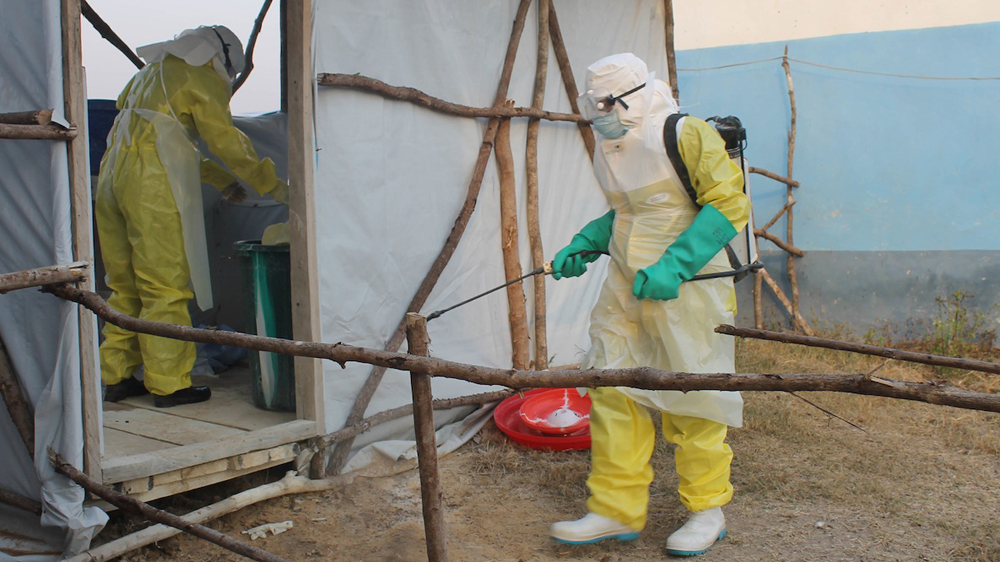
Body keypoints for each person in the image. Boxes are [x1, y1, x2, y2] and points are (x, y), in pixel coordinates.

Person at [548, 53, 750, 556]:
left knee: (693, 395)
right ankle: (615, 510)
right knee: (614, 390)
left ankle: (707, 511)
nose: (599, 114)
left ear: (634, 96)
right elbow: (626, 212)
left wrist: (676, 265)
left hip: (687, 290)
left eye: (606, 103)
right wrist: (586, 241)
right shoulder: (609, 145)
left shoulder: (684, 133)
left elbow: (729, 204)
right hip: (624, 289)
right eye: (592, 105)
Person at [97, 26, 289, 408]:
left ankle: (115, 376)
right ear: (223, 58)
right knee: (165, 286)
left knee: (124, 286)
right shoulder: (198, 76)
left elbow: (162, 139)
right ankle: (168, 385)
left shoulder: (148, 76)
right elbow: (226, 141)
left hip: (110, 180)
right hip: (151, 188)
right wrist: (275, 186)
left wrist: (219, 181)